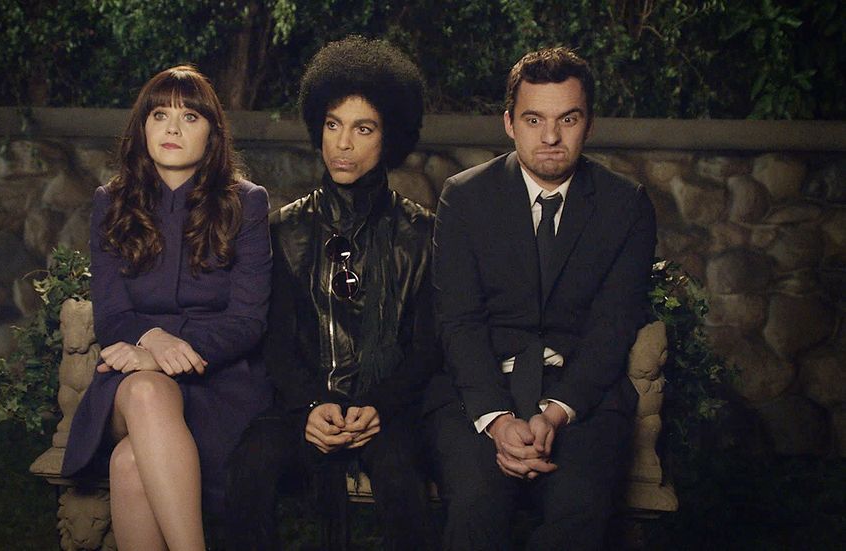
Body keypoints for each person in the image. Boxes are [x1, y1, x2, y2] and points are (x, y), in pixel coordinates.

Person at [424, 47, 657, 550]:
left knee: (578, 512)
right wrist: (498, 420)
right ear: (509, 123)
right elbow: (459, 321)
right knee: (476, 508)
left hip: (580, 394)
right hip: (480, 390)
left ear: (588, 124)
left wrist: (556, 412)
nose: (551, 137)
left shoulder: (625, 205)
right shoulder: (464, 197)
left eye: (567, 119)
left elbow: (613, 326)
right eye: (534, 119)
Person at [225, 36, 438, 550]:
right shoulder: (284, 230)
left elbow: (428, 347)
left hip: (389, 409)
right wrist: (312, 403)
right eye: (332, 124)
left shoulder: (423, 235)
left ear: (389, 137)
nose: (343, 144)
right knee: (251, 462)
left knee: (400, 473)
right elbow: (276, 343)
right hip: (304, 404)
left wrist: (378, 404)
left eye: (363, 128)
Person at [61, 65, 273, 551]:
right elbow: (112, 317)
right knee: (145, 393)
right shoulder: (111, 203)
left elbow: (247, 322)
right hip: (131, 383)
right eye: (159, 115)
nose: (172, 128)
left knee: (130, 464)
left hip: (219, 384)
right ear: (142, 127)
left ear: (213, 134)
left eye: (189, 117)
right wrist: (151, 340)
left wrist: (163, 353)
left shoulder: (246, 204)